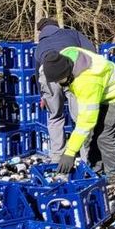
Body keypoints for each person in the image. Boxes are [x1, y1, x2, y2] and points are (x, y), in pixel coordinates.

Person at [41, 46, 115, 178]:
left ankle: (112, 177)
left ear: (66, 73)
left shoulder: (87, 81)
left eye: (59, 80)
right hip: (100, 91)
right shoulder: (66, 54)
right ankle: (95, 171)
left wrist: (70, 152)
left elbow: (86, 121)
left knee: (104, 137)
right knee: (90, 136)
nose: (58, 82)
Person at [34, 18, 95, 162]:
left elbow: (38, 72)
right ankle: (87, 157)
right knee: (80, 118)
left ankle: (57, 157)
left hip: (48, 75)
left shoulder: (40, 45)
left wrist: (42, 95)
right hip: (72, 71)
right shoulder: (72, 34)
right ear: (57, 26)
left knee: (55, 117)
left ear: (41, 31)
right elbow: (91, 50)